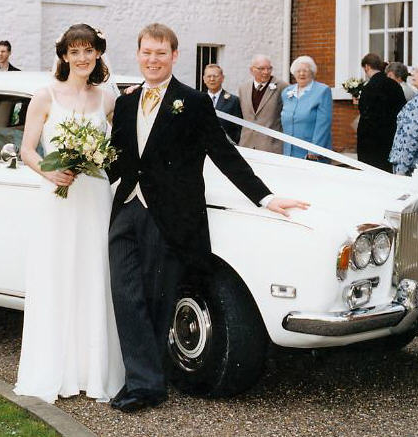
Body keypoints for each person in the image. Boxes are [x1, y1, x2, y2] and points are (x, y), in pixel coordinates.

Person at [107, 23, 309, 413]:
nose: (153, 60)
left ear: (174, 56)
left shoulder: (194, 101)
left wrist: (265, 197)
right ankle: (142, 377)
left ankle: (146, 386)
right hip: (126, 209)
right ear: (138, 54)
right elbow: (117, 156)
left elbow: (224, 153)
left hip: (169, 218)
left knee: (155, 300)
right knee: (125, 296)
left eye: (160, 53)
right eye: (146, 53)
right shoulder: (127, 101)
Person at [14, 24, 124, 404]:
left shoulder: (107, 98)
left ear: (97, 55)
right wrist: (49, 171)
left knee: (93, 276)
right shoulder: (45, 97)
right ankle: (55, 371)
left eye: (89, 51)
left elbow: (123, 145)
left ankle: (93, 373)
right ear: (63, 55)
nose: (82, 58)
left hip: (94, 197)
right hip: (57, 200)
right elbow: (27, 149)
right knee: (57, 277)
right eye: (74, 51)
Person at [356, 53, 407, 171]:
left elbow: (364, 113)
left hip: (370, 142)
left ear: (367, 67)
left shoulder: (368, 88)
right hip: (391, 139)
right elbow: (403, 110)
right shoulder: (395, 85)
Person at [280, 56, 332, 161]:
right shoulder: (287, 92)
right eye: (298, 71)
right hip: (289, 151)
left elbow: (323, 123)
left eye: (305, 71)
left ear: (312, 72)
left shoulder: (322, 91)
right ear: (293, 73)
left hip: (311, 154)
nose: (301, 74)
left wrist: (315, 150)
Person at [238, 54, 288, 153]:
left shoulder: (282, 87)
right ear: (251, 70)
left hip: (271, 146)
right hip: (246, 145)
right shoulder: (243, 88)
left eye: (269, 68)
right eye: (261, 69)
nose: (266, 72)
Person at [203, 64, 242, 144]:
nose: (212, 79)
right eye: (209, 76)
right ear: (204, 79)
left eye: (215, 76)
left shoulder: (233, 101)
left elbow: (238, 129)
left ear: (222, 78)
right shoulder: (198, 99)